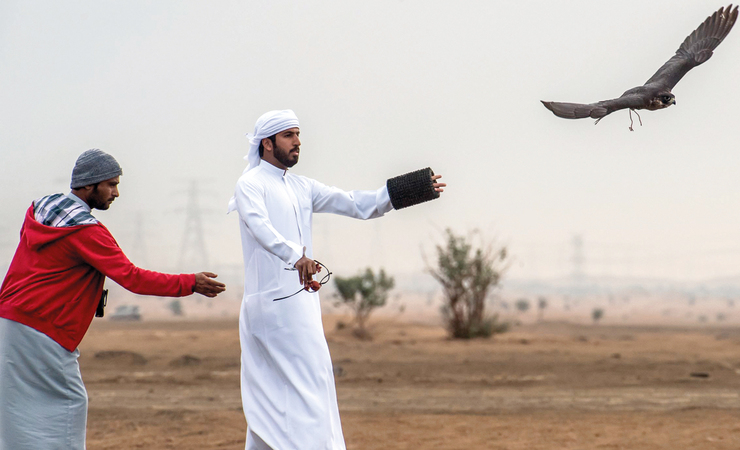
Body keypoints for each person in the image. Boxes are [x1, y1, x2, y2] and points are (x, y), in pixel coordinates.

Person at [230, 109, 445, 450]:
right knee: (297, 389)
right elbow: (260, 227)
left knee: (304, 386)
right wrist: (295, 255)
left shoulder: (301, 186)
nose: (298, 142)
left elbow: (355, 203)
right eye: (289, 135)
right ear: (267, 144)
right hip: (270, 308)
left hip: (301, 305)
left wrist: (406, 191)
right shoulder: (250, 185)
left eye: (298, 134)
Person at [0, 149, 226, 450]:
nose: (116, 193)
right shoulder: (85, 231)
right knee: (68, 403)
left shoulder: (40, 211)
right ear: (89, 184)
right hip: (42, 328)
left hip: (9, 320)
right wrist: (189, 283)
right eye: (111, 184)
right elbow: (132, 278)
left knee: (17, 405)